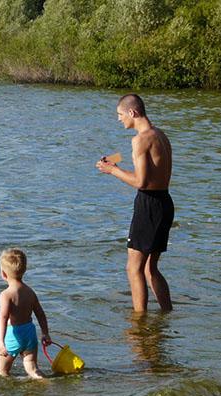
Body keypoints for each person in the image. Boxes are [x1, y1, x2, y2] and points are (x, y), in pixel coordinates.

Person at [96, 94, 173, 312]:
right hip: (164, 202)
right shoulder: (160, 135)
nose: (119, 119)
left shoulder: (139, 140)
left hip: (149, 205)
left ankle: (139, 322)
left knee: (133, 268)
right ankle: (166, 313)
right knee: (150, 268)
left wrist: (113, 170)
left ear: (132, 112)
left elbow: (141, 181)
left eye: (120, 115)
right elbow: (152, 168)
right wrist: (115, 160)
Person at [0, 248, 51, 379]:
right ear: (24, 270)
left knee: (2, 371)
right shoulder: (30, 291)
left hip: (13, 335)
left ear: (3, 274)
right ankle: (45, 382)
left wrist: (0, 342)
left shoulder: (6, 295)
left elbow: (3, 318)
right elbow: (40, 314)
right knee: (32, 368)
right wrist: (45, 333)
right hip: (30, 333)